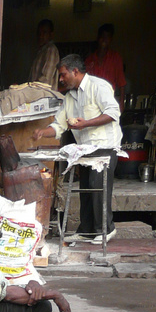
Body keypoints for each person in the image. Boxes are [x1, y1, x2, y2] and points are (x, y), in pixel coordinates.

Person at [34, 55, 122, 244]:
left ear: (75, 71)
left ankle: (106, 229)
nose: (61, 79)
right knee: (87, 189)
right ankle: (87, 230)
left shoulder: (98, 87)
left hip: (104, 147)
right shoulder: (70, 97)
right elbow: (59, 125)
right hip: (84, 150)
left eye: (63, 74)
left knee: (99, 189)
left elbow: (113, 113)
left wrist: (86, 124)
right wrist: (43, 132)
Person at [84, 24, 126, 108]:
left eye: (107, 37)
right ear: (98, 38)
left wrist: (121, 101)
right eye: (102, 36)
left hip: (109, 100)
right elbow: (84, 82)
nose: (104, 40)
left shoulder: (115, 57)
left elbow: (121, 81)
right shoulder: (89, 60)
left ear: (111, 40)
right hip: (91, 101)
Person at [29, 18, 60, 90]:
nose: (41, 36)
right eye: (39, 33)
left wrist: (28, 87)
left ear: (51, 35)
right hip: (37, 94)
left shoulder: (51, 50)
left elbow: (45, 79)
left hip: (44, 96)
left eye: (44, 33)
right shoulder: (42, 51)